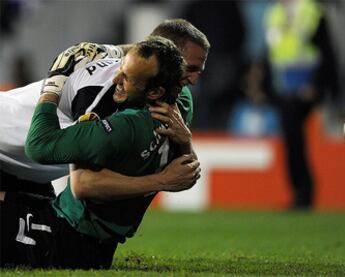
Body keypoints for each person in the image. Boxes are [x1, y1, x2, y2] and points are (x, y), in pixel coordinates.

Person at [1, 36, 199, 269]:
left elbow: (42, 148)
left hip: (64, 238)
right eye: (121, 69)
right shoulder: (180, 107)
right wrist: (186, 143)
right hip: (89, 239)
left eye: (127, 78)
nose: (116, 78)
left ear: (155, 92)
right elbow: (187, 174)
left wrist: (54, 83)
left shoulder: (121, 128)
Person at [0, 18, 210, 199]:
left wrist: (185, 140)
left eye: (198, 71)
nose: (193, 80)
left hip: (27, 172)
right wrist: (160, 181)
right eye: (189, 69)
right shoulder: (100, 89)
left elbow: (183, 173)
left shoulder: (173, 96)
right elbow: (83, 183)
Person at [248, 0, 338, 209]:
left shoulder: (311, 11)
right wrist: (262, 85)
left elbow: (326, 50)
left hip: (306, 87)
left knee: (294, 136)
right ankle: (301, 191)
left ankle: (303, 191)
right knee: (292, 138)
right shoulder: (275, 13)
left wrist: (318, 86)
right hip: (283, 88)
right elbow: (272, 54)